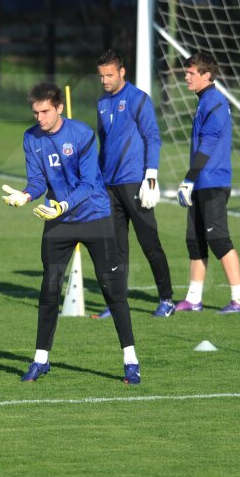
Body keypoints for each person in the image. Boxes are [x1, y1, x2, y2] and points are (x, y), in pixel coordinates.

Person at [1, 81, 142, 383]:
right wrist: (25, 195)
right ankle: (41, 360)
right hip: (58, 222)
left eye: (45, 112)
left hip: (94, 218)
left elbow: (89, 184)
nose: (39, 118)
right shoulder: (30, 138)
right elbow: (38, 181)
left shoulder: (82, 134)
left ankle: (131, 361)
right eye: (35, 112)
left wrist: (62, 206)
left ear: (59, 108)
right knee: (49, 289)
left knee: (112, 290)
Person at [91, 48, 176, 319]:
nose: (105, 80)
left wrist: (151, 176)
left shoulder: (138, 99)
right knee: (115, 249)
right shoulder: (101, 103)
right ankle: (117, 303)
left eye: (109, 75)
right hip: (109, 186)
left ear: (122, 72)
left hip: (135, 183)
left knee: (150, 244)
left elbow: (153, 137)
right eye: (101, 76)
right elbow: (104, 144)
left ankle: (167, 299)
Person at [172, 51, 240, 314]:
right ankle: (193, 299)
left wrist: (189, 178)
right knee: (195, 240)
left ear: (206, 75)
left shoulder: (214, 101)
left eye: (191, 73)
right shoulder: (204, 100)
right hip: (201, 182)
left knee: (218, 239)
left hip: (212, 181)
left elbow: (209, 142)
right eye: (186, 72)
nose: (186, 77)